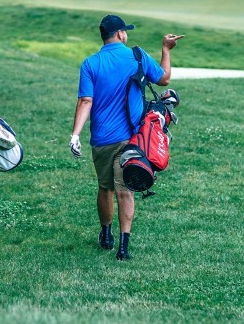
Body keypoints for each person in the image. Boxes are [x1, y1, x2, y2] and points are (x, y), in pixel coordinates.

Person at [69, 14, 183, 261]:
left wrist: (75, 134)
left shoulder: (90, 63)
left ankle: (106, 234)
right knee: (125, 191)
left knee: (105, 187)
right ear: (120, 34)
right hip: (132, 137)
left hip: (101, 139)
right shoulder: (137, 56)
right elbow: (164, 79)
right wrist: (166, 49)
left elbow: (86, 100)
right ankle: (123, 247)